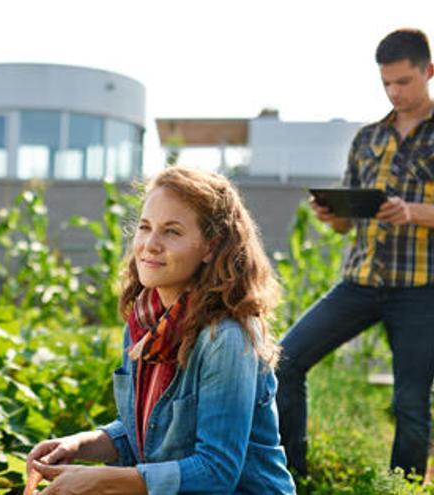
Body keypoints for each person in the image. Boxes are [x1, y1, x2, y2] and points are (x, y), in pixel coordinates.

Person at [26, 167, 296, 494]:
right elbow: (147, 432)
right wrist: (80, 445)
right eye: (145, 227)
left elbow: (217, 472)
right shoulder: (144, 323)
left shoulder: (226, 337)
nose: (150, 245)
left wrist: (100, 481)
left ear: (211, 247)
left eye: (172, 232)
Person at [276, 28, 434, 479]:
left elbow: (416, 212)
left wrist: (414, 212)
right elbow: (350, 220)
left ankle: (403, 489)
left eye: (403, 81)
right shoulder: (367, 139)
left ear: (429, 71)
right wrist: (333, 215)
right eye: (386, 83)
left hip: (420, 289)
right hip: (359, 282)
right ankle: (291, 477)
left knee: (410, 403)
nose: (394, 92)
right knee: (285, 361)